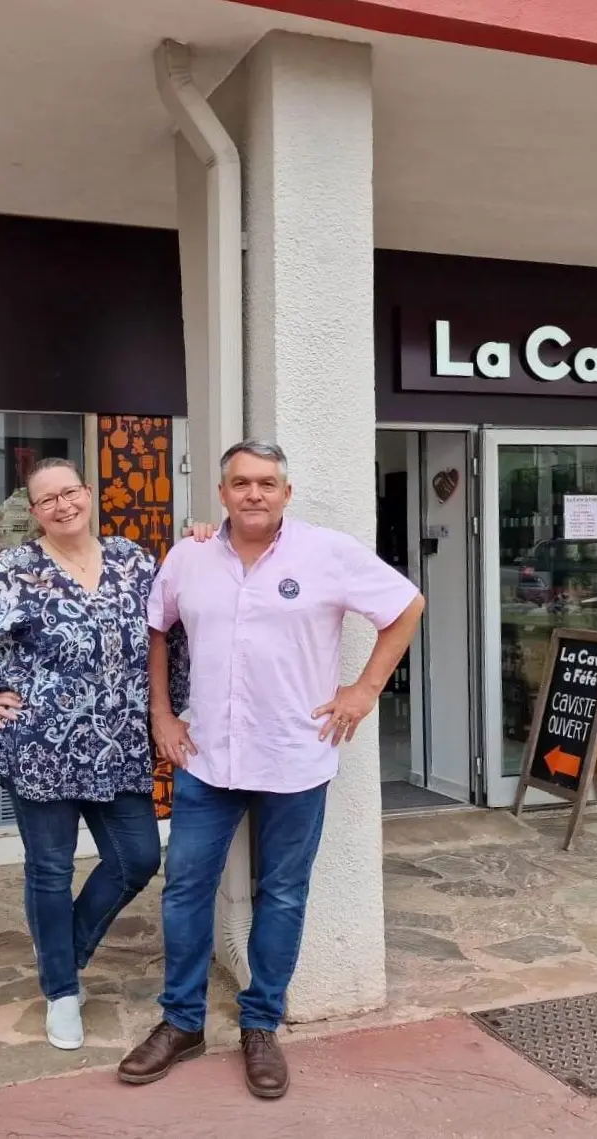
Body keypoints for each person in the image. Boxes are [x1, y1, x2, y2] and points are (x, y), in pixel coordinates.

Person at [118, 440, 425, 1099]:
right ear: (222, 493)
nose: (252, 492)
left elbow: (405, 607)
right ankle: (181, 1021)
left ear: (286, 492)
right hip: (206, 757)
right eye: (239, 482)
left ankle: (260, 1024)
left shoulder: (327, 552)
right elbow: (156, 628)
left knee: (282, 892)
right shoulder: (189, 554)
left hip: (295, 754)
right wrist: (162, 717)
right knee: (184, 889)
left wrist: (364, 689)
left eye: (266, 482)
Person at [0, 457, 212, 1052]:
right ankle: (63, 993)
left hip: (119, 742)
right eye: (47, 500)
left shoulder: (134, 561)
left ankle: (63, 956)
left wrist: (205, 541)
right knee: (49, 869)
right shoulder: (16, 571)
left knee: (138, 857)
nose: (62, 505)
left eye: (70, 492)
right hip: (39, 744)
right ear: (35, 512)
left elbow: (175, 621)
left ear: (89, 494)